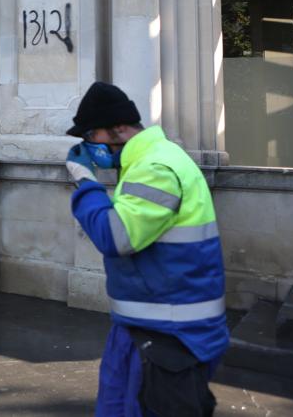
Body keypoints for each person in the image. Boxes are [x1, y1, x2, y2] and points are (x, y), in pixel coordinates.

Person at [64, 82, 228, 416]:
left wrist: (87, 184)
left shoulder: (156, 168)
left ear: (119, 129)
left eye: (91, 135)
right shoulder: (148, 162)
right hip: (148, 327)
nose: (88, 146)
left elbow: (116, 237)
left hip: (171, 337)